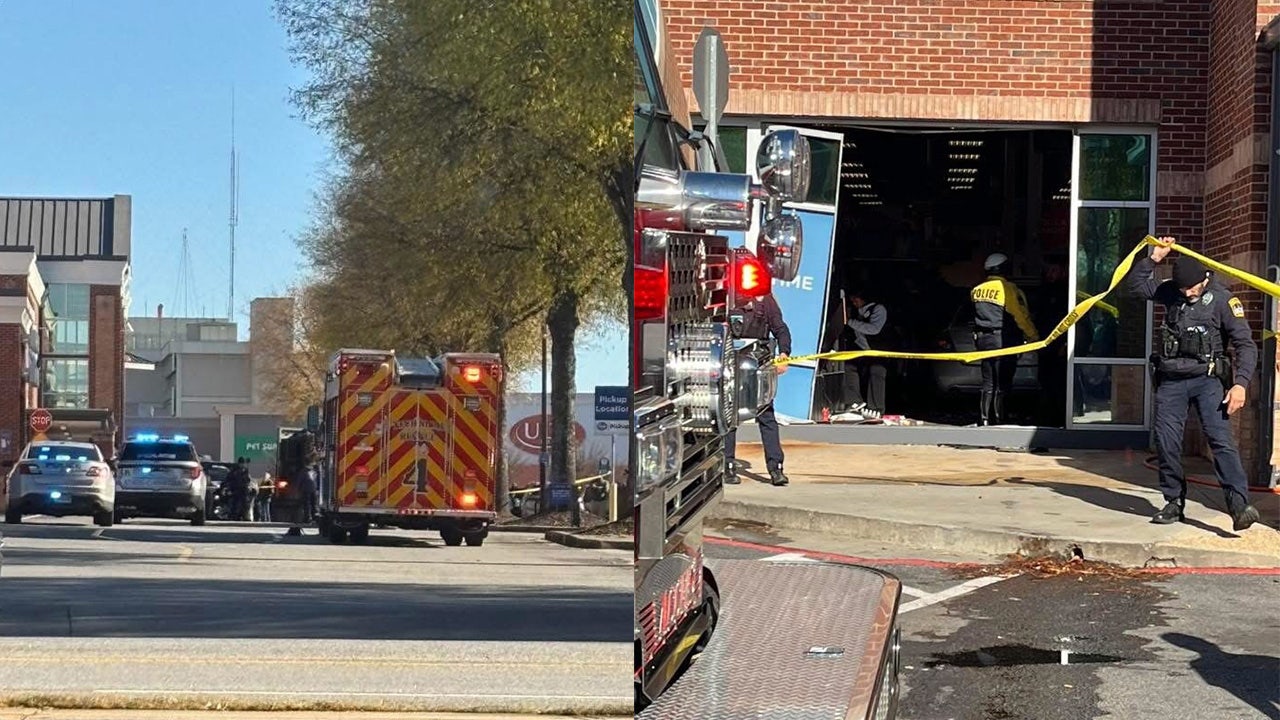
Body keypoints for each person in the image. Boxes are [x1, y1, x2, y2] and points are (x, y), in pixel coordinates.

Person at [1125, 236, 1261, 531]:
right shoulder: (1171, 292)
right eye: (1183, 288)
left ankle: (1238, 504)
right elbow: (1135, 287)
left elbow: (1245, 345)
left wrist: (1240, 384)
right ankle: (1173, 501)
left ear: (1204, 279)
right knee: (1167, 441)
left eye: (1192, 288)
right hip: (1172, 379)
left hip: (1208, 379)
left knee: (1220, 441)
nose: (1187, 293)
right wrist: (1154, 259)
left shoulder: (1223, 300)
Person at [726, 290, 791, 486]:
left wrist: (784, 353)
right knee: (729, 416)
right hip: (729, 363)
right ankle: (727, 465)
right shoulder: (726, 296)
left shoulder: (764, 299)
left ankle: (775, 468)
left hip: (757, 364)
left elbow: (780, 329)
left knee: (766, 415)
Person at [970, 252, 1040, 425]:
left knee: (988, 381)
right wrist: (1033, 336)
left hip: (983, 340)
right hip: (1003, 340)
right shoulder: (1008, 289)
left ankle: (985, 419)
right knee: (1003, 382)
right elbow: (1020, 315)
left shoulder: (976, 290)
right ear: (1004, 269)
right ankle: (1000, 419)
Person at [838, 288, 891, 421]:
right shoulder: (854, 312)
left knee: (876, 373)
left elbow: (874, 329)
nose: (854, 302)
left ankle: (876, 409)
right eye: (852, 300)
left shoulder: (878, 309)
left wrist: (849, 322)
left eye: (856, 299)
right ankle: (854, 402)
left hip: (879, 350)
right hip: (861, 350)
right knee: (848, 367)